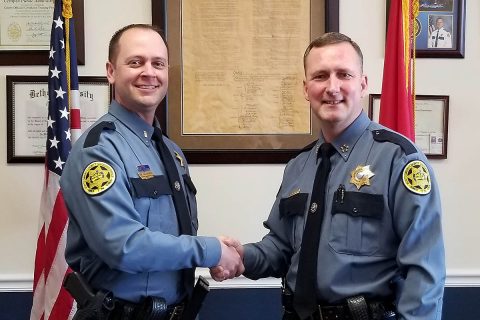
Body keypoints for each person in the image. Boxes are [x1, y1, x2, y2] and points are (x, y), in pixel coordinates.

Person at [212, 32, 445, 320]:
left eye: (344, 74)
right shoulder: (299, 165)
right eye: (320, 76)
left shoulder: (399, 159)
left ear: (362, 85)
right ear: (306, 88)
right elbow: (282, 248)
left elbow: (423, 269)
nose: (332, 87)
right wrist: (242, 257)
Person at [60, 24, 243, 319]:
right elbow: (123, 245)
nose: (149, 72)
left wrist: (220, 256)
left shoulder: (171, 152)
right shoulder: (98, 151)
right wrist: (211, 250)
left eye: (158, 63)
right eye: (135, 62)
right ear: (111, 71)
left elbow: (173, 237)